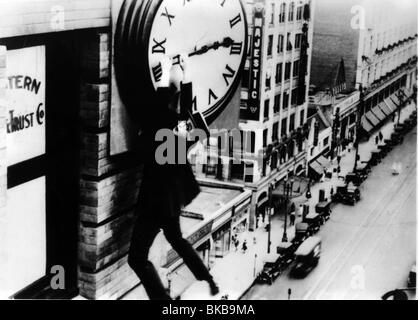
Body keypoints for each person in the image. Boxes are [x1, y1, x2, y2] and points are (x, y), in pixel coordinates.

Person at [128, 55, 219, 300]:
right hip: (171, 200)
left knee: (137, 258)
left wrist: (166, 70)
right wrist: (185, 73)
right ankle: (208, 278)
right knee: (177, 239)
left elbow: (160, 104)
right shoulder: (180, 127)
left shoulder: (159, 123)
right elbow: (187, 109)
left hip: (154, 202)